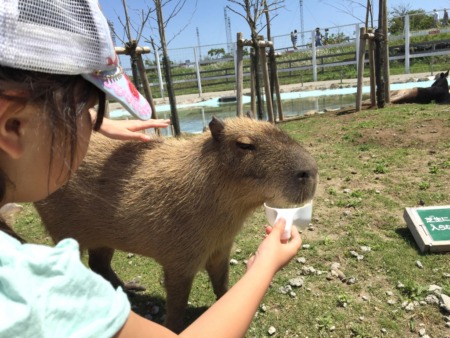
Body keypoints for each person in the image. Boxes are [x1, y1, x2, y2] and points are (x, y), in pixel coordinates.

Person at [0, 1, 303, 337]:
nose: (96, 127)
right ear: (13, 125)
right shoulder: (35, 288)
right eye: (86, 112)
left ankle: (108, 275)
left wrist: (97, 124)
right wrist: (263, 267)